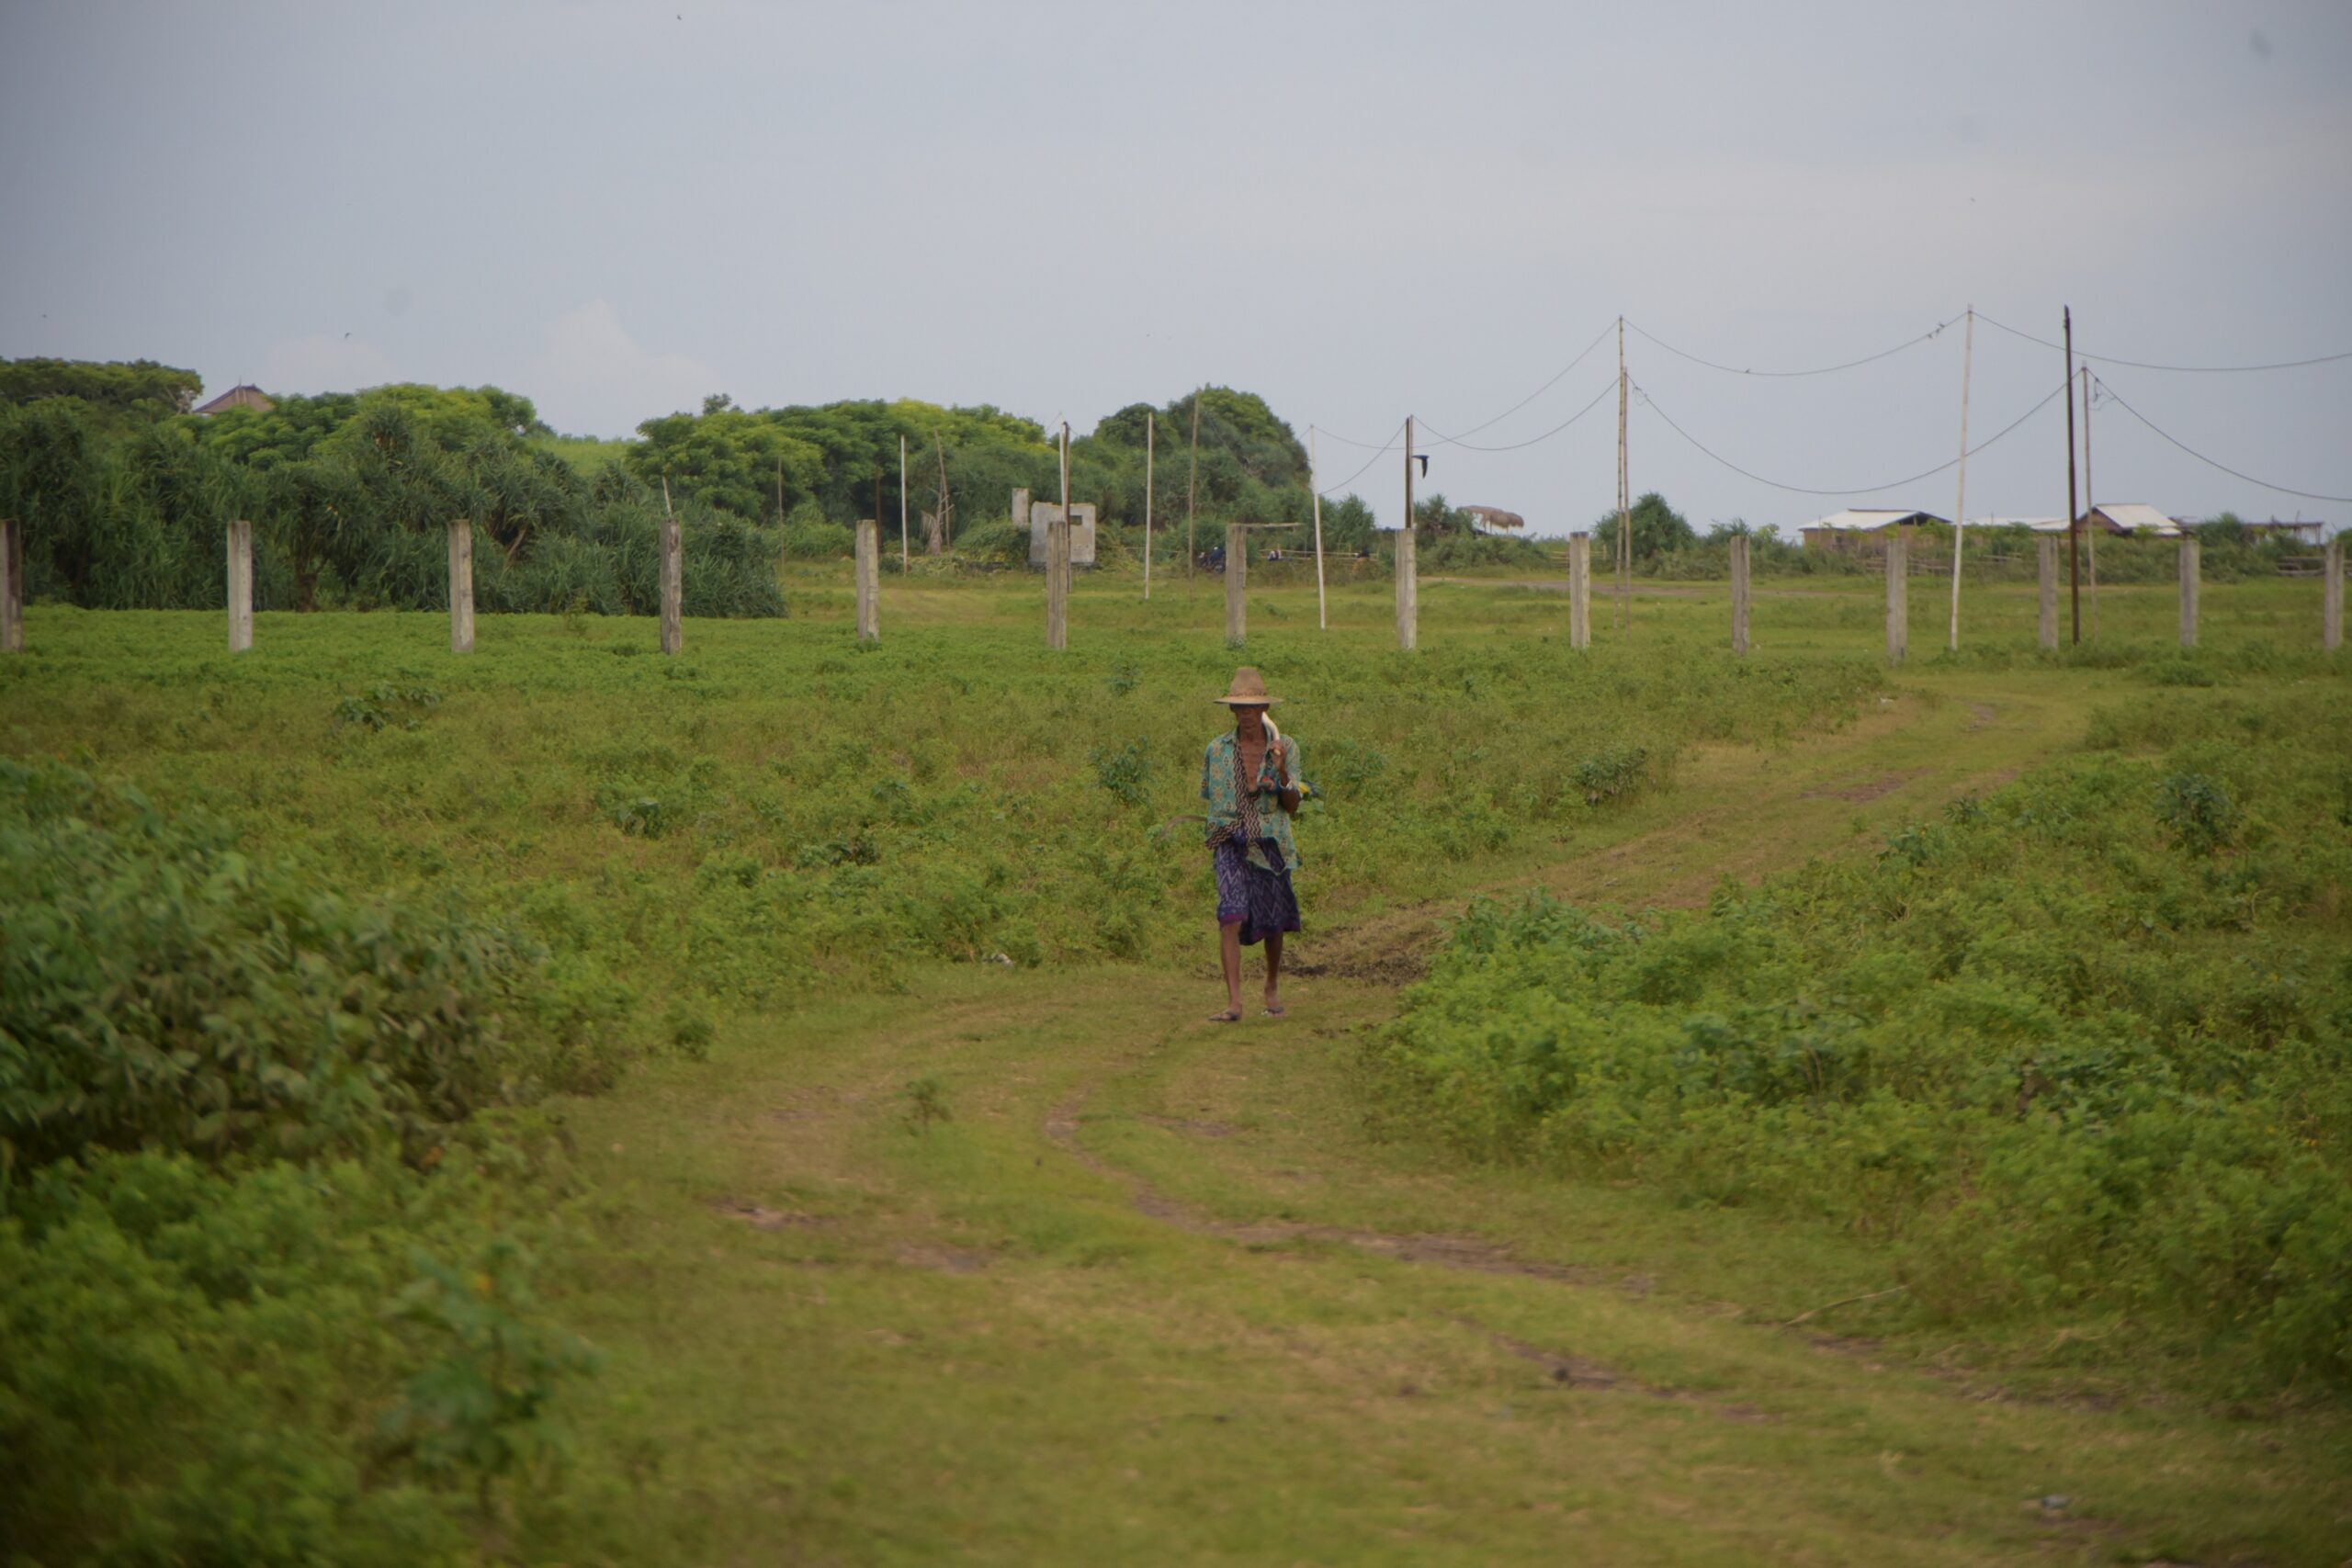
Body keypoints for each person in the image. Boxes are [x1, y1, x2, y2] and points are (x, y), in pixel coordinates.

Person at [1200, 667, 1306, 1021]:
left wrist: (1282, 773)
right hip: (1230, 840)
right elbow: (1210, 798)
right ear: (1232, 711)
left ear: (1264, 709)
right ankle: (1234, 1002)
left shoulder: (1285, 746)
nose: (1246, 714)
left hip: (1271, 840)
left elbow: (1293, 806)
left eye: (1253, 707)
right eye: (1240, 708)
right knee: (1230, 914)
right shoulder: (1217, 749)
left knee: (1275, 920)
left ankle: (1272, 987)